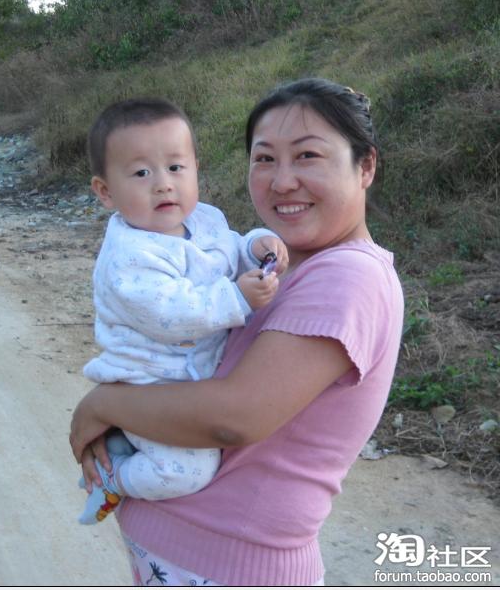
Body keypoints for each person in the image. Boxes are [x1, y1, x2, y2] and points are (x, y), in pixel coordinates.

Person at [70, 78, 404, 585]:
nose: (282, 181)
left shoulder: (348, 276)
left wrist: (101, 406)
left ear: (366, 166)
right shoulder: (288, 264)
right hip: (190, 557)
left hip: (232, 567)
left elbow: (234, 417)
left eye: (308, 155)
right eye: (265, 158)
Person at [77, 98, 288, 525]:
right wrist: (236, 298)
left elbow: (229, 251)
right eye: (141, 173)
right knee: (187, 470)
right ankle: (114, 477)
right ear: (105, 191)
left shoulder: (204, 219)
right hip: (148, 383)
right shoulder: (128, 257)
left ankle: (126, 448)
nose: (163, 184)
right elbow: (172, 314)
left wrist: (256, 246)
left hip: (190, 377)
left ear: (195, 169)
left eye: (176, 167)